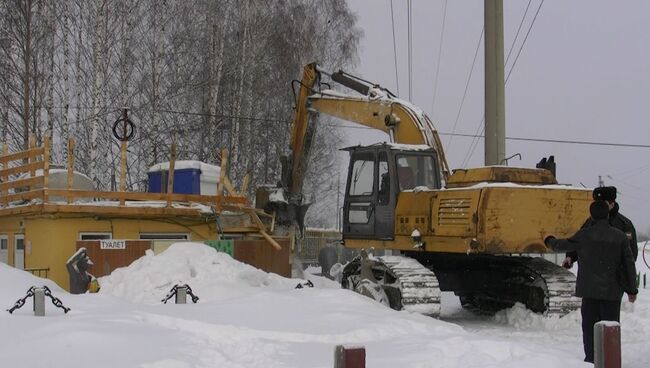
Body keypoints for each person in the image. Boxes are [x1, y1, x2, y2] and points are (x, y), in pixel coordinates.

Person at [545, 200, 638, 363]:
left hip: (589, 292)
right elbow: (629, 264)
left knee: (589, 329)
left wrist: (549, 240)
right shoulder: (620, 236)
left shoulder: (584, 234)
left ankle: (591, 360)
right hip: (612, 292)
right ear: (608, 214)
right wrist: (632, 290)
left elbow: (562, 245)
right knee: (610, 329)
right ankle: (611, 360)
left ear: (591, 215)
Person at [563, 186, 638, 268]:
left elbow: (631, 255)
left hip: (615, 278)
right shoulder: (589, 223)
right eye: (596, 203)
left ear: (612, 204)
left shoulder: (624, 225)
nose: (598, 206)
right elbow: (579, 241)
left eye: (602, 204)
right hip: (591, 276)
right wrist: (570, 257)